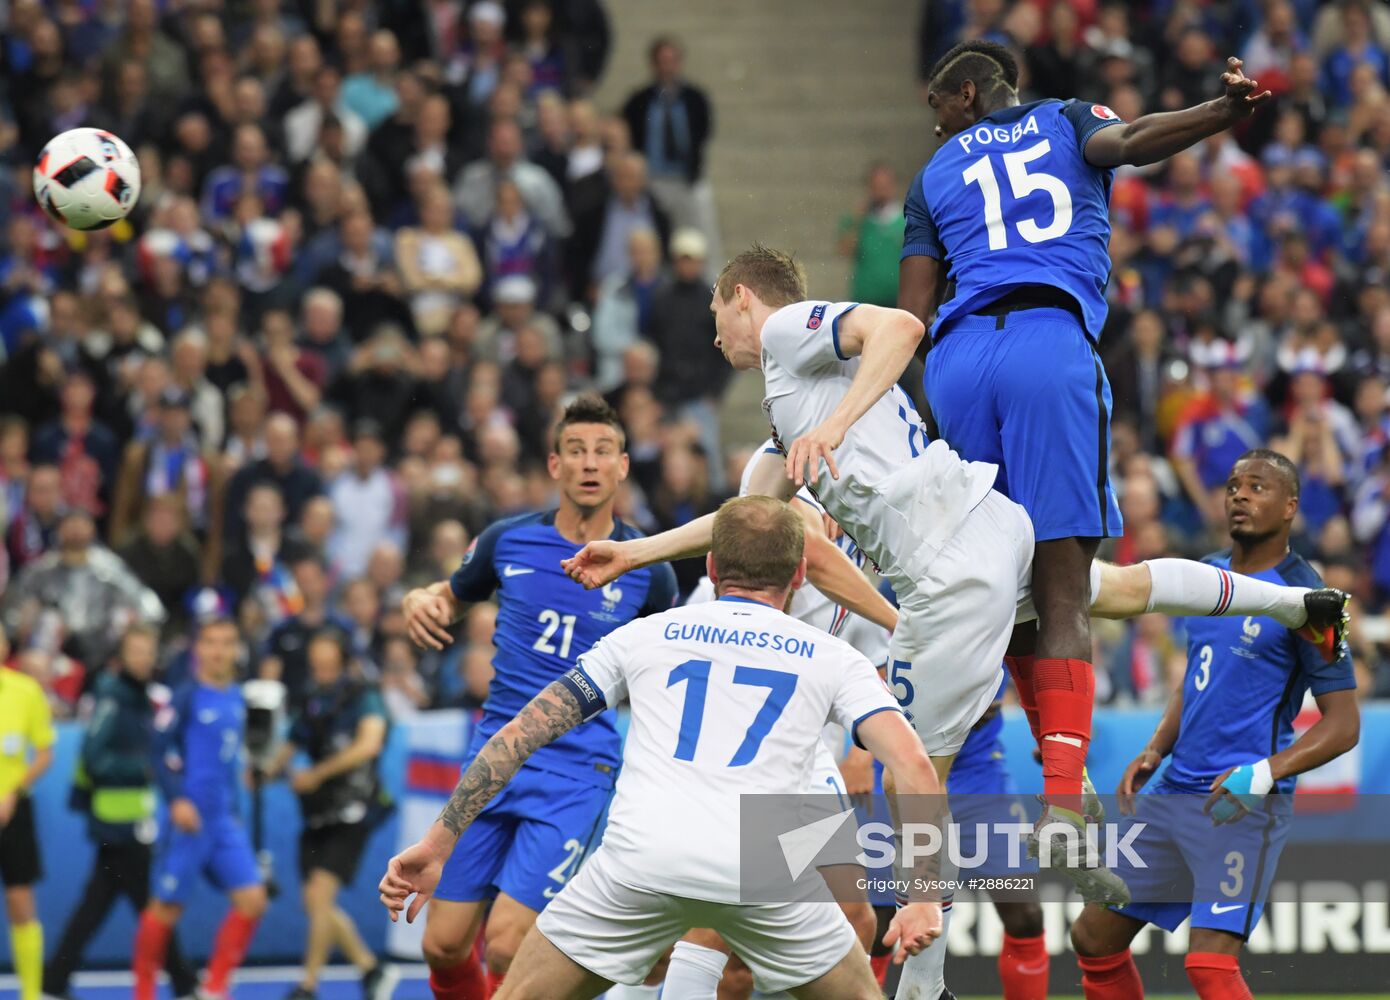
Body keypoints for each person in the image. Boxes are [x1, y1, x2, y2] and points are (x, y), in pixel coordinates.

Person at [560, 246, 1350, 996]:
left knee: (916, 779)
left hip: (943, 571)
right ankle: (1292, 602)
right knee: (1114, 588)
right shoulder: (788, 407)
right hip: (988, 525)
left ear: (742, 295)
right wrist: (635, 555)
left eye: (716, 312)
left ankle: (930, 982)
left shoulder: (781, 334)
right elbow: (746, 519)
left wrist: (836, 429)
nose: (715, 333)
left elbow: (902, 328)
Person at [897, 42, 1275, 869]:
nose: (935, 119)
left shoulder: (929, 180)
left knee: (1000, 589)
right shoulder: (1066, 118)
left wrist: (936, 393)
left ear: (969, 89)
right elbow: (1132, 142)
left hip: (959, 363)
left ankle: (1048, 770)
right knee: (1063, 585)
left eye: (940, 101)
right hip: (1047, 344)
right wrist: (1222, 112)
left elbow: (909, 319)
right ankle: (1064, 800)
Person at [381, 496, 947, 1000]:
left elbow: (517, 736)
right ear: (801, 574)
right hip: (768, 872)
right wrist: (920, 895)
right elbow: (913, 765)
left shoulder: (644, 636)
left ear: (710, 567)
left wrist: (437, 844)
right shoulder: (834, 657)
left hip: (641, 863)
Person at [397, 395, 679, 998]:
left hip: (577, 771)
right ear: (554, 465)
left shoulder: (649, 569)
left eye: (603, 451)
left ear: (623, 466)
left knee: (505, 943)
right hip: (493, 756)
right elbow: (448, 596)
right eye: (575, 450)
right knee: (442, 946)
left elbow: (667, 669)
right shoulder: (507, 542)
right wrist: (418, 599)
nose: (589, 463)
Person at [1069, 450, 1360, 1000]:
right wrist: (1157, 747)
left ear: (1291, 506)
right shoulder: (1206, 576)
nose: (1240, 496)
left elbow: (1344, 725)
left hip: (1239, 804)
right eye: (1233, 486)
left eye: (1258, 487)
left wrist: (1264, 774)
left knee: (1208, 967)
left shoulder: (1309, 600)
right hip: (1175, 790)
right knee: (1093, 937)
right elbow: (1199, 678)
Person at [661, 439, 894, 999]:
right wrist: (904, 621)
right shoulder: (780, 491)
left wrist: (862, 752)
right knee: (712, 934)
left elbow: (876, 661)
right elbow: (811, 546)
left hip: (805, 757)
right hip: (744, 759)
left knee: (854, 923)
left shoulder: (866, 516)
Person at [42, 625, 198, 1000]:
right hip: (118, 819)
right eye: (136, 651)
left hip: (131, 818)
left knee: (98, 903)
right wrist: (142, 767)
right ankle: (184, 984)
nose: (144, 658)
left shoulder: (140, 696)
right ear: (121, 657)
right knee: (153, 904)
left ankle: (54, 980)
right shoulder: (113, 696)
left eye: (149, 651)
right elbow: (93, 757)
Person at [133, 617, 269, 1000]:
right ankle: (143, 991)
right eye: (211, 642)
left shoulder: (238, 697)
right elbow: (158, 750)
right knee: (165, 910)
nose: (219, 650)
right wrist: (176, 798)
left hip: (223, 819)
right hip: (189, 820)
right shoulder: (185, 696)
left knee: (252, 900)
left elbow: (229, 764)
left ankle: (214, 987)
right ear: (199, 649)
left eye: (227, 642)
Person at [266, 629, 394, 1000]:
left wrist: (317, 774)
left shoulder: (363, 696)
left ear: (343, 660)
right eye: (316, 662)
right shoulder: (310, 699)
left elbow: (368, 745)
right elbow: (289, 746)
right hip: (316, 814)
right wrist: (266, 769)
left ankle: (308, 985)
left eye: (329, 661)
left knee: (320, 894)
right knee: (315, 903)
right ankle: (370, 968)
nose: (322, 668)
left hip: (354, 810)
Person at [0, 644, 55, 1000]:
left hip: (14, 812)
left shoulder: (25, 691)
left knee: (20, 900)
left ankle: (31, 994)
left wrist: (13, 792)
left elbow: (45, 753)